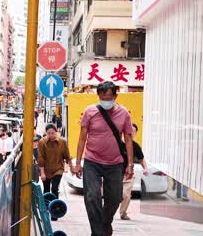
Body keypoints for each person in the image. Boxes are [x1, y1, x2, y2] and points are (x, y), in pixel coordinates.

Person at [73, 81, 134, 236]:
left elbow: (128, 140)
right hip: (92, 161)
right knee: (92, 196)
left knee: (115, 198)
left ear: (115, 96)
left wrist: (130, 165)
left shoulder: (124, 113)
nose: (106, 101)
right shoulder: (90, 112)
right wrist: (78, 163)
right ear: (98, 96)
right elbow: (82, 139)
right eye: (102, 97)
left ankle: (105, 224)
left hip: (115, 163)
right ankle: (98, 232)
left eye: (109, 97)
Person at [38, 124, 72, 220]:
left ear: (56, 132)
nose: (51, 135)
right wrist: (42, 173)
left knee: (55, 188)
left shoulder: (62, 142)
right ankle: (45, 212)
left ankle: (54, 212)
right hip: (46, 169)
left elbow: (67, 156)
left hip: (58, 169)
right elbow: (41, 158)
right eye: (48, 133)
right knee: (46, 190)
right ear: (46, 133)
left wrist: (72, 168)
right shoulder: (42, 142)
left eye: (53, 133)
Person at [120, 123, 149, 220]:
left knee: (126, 195)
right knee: (110, 194)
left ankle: (123, 212)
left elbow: (141, 159)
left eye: (134, 131)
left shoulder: (136, 146)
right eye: (130, 130)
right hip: (114, 173)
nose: (131, 133)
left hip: (128, 175)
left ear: (135, 133)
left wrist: (145, 168)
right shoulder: (118, 143)